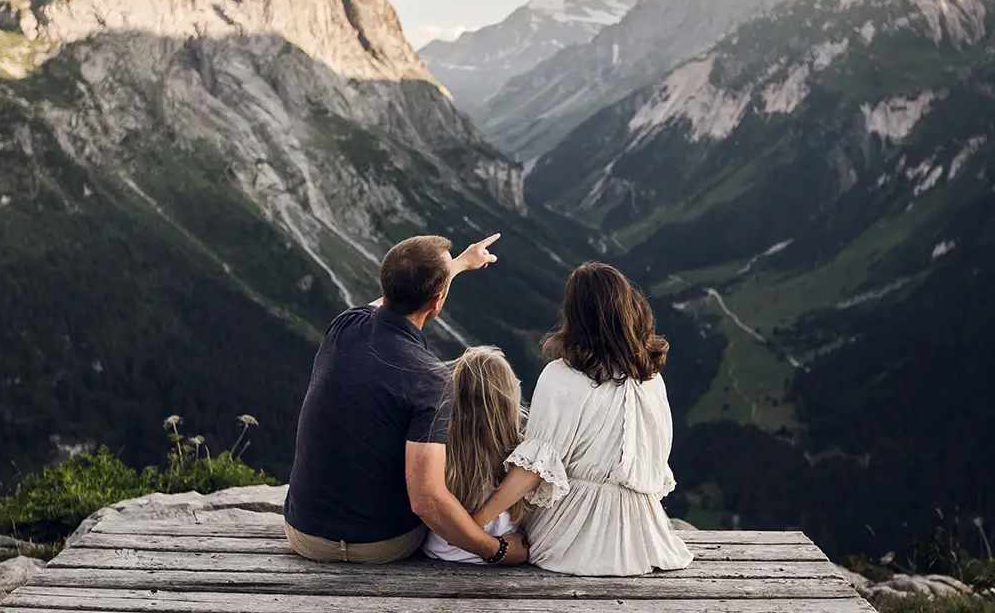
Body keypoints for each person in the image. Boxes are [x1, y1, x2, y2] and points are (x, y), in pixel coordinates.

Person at [283, 233, 528, 566]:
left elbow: (388, 300)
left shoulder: (342, 328)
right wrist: (495, 549)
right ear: (437, 302)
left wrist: (454, 267)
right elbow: (426, 501)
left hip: (304, 533)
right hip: (380, 544)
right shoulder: (431, 379)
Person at [472, 261, 694, 576]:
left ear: (576, 317)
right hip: (644, 538)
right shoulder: (651, 379)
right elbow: (655, 460)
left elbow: (532, 469)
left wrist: (473, 525)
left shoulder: (561, 376)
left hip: (571, 534)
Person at [423, 346, 529, 564]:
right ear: (508, 399)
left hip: (439, 554)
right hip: (501, 555)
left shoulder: (437, 448)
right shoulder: (522, 454)